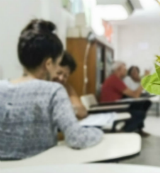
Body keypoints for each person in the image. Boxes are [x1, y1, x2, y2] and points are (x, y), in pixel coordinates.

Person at [0, 19, 103, 160]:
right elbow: (77, 138)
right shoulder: (53, 91)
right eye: (57, 64)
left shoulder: (2, 87)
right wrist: (98, 132)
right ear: (48, 64)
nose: (56, 73)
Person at [100, 61, 151, 136]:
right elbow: (135, 95)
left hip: (117, 105)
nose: (126, 71)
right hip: (111, 107)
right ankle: (125, 132)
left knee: (144, 104)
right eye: (124, 69)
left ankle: (137, 129)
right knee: (139, 113)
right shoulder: (114, 80)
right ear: (118, 70)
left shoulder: (116, 79)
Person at [53, 51, 87, 120]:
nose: (61, 78)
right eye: (58, 73)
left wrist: (68, 109)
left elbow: (82, 111)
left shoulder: (66, 87)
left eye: (65, 76)